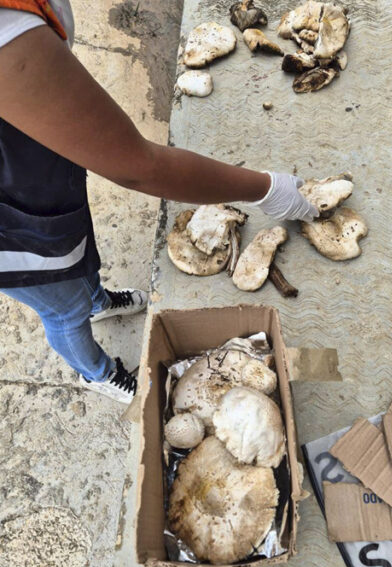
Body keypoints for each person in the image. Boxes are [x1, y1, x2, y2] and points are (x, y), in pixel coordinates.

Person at [0, 1, 318, 404]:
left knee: (73, 250)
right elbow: (138, 167)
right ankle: (95, 372)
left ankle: (97, 301)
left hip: (32, 176)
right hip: (8, 230)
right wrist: (265, 189)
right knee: (63, 308)